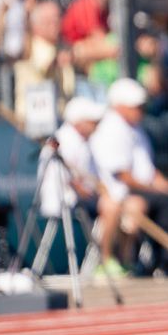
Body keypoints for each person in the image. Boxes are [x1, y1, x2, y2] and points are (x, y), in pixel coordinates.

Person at [88, 77, 168, 277]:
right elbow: (124, 177)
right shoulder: (111, 130)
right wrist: (161, 190)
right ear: (120, 106)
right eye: (135, 106)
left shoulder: (137, 130)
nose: (140, 110)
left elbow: (149, 171)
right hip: (122, 193)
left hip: (139, 188)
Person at [36, 95, 118, 277]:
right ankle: (105, 261)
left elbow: (91, 178)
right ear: (79, 122)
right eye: (92, 122)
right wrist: (93, 192)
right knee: (110, 207)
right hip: (64, 200)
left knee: (119, 205)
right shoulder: (62, 140)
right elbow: (69, 181)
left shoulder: (83, 142)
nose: (96, 126)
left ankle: (115, 261)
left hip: (77, 198)